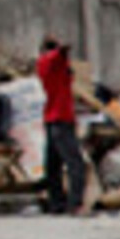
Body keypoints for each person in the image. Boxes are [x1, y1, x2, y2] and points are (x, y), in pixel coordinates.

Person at [37, 36, 88, 215]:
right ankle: (75, 204)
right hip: (61, 119)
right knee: (76, 164)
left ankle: (56, 203)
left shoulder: (45, 65)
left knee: (53, 166)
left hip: (52, 119)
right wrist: (62, 48)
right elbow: (59, 53)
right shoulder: (51, 62)